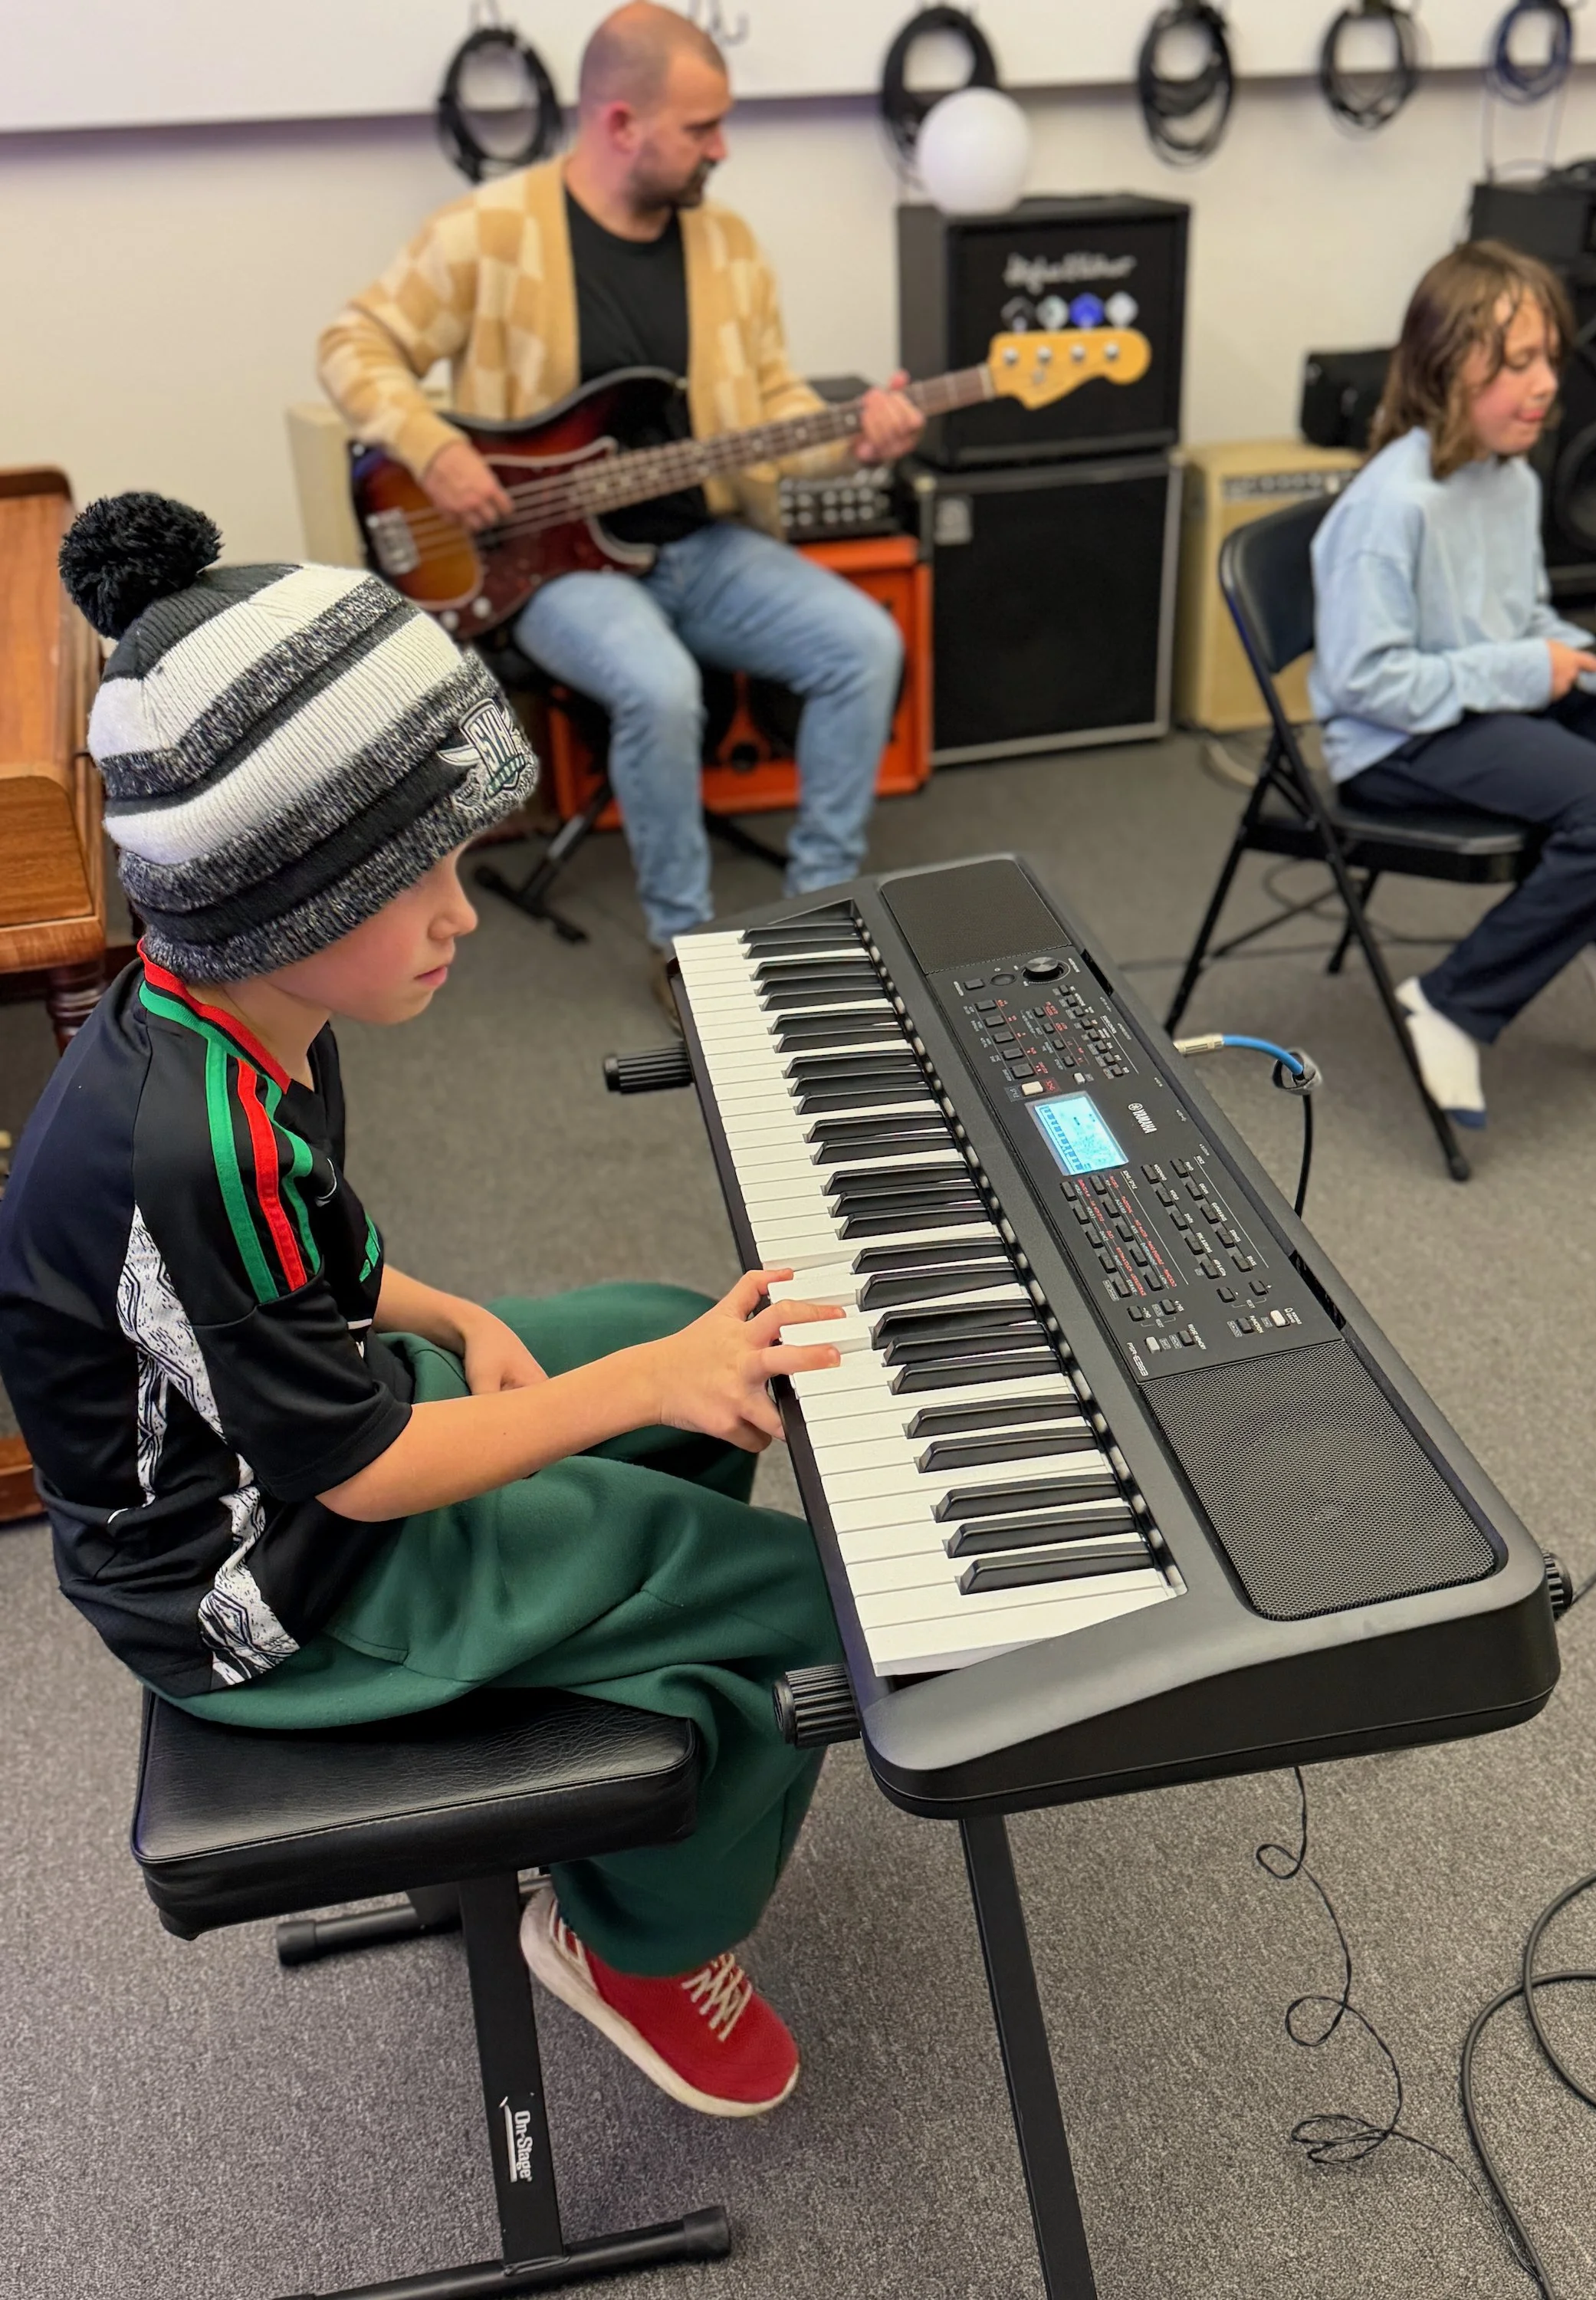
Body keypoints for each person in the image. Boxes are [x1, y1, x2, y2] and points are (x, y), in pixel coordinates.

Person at [0, 492, 850, 2118]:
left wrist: (452, 1310)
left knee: (668, 1326)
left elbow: (300, 1255)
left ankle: (582, 1702)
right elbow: (361, 1473)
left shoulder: (231, 1008)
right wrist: (640, 1389)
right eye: (425, 877)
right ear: (283, 900)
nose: (466, 912)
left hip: (298, 1446)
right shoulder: (188, 1141)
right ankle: (638, 1946)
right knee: (806, 1607)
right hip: (262, 1591)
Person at [318, 0, 923, 1018]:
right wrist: (438, 449)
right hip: (548, 562)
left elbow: (772, 409)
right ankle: (686, 947)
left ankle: (817, 910)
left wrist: (855, 430)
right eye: (701, 128)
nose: (720, 149)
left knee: (864, 644)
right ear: (618, 124)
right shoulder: (486, 232)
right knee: (660, 688)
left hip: (701, 542)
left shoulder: (726, 246)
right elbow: (351, 344)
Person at [1309, 238, 1596, 1129]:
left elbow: (1523, 613)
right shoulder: (1388, 510)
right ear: (1447, 370)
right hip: (1398, 739)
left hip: (1494, 696)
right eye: (1518, 363)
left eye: (1549, 360)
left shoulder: (1508, 473)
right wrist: (1526, 666)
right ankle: (1454, 1004)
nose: (1544, 385)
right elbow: (1367, 682)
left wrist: (1589, 661)